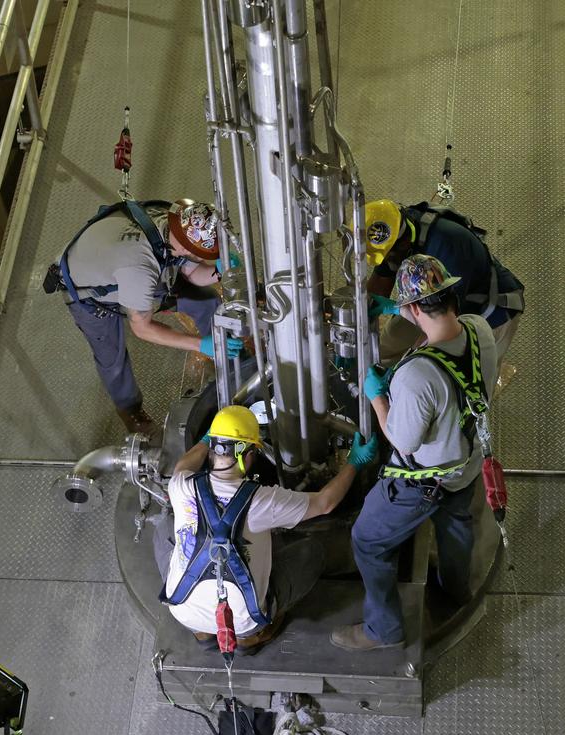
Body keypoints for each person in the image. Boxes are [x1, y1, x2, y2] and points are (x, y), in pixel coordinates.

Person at [331, 255, 497, 652]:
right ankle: (457, 590)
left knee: (368, 540)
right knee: (456, 527)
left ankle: (383, 630)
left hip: (422, 482)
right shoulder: (479, 329)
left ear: (416, 307)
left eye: (404, 305)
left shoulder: (416, 376)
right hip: (467, 464)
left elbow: (402, 441)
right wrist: (396, 308)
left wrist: (377, 398)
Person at [162, 405, 378, 650]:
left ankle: (201, 632)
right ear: (249, 455)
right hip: (244, 620)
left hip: (183, 610)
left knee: (164, 528)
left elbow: (183, 464)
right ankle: (250, 637)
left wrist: (205, 439)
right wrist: (354, 463)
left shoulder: (181, 485)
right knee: (312, 553)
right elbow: (325, 503)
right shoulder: (260, 501)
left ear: (213, 449)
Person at [45, 198, 246, 434]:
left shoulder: (170, 222)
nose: (203, 257)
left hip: (116, 261)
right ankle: (130, 410)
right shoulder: (140, 269)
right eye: (201, 253)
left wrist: (219, 271)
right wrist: (200, 345)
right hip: (88, 292)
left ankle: (229, 359)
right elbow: (142, 329)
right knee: (112, 357)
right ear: (184, 245)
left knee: (206, 300)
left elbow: (190, 273)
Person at [363, 199, 524, 362]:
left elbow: (444, 322)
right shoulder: (395, 233)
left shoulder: (449, 248)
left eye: (388, 256)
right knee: (386, 350)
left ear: (404, 244)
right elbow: (379, 286)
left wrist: (411, 362)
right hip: (428, 300)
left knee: (457, 376)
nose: (387, 261)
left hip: (487, 311)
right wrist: (362, 308)